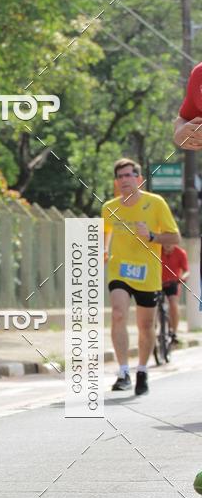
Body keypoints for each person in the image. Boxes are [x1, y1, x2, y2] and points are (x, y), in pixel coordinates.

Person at [102, 158, 180, 395]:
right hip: (120, 271)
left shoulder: (156, 203)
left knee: (145, 326)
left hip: (148, 274)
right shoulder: (108, 208)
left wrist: (153, 237)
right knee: (117, 314)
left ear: (138, 179)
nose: (125, 180)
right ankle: (124, 371)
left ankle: (143, 370)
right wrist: (102, 250)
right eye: (121, 176)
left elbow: (174, 238)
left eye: (129, 175)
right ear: (117, 182)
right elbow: (104, 235)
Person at [161, 243, 189, 342]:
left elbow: (186, 271)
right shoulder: (157, 251)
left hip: (173, 283)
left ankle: (174, 332)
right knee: (155, 305)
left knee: (173, 304)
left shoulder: (180, 253)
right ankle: (159, 329)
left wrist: (182, 278)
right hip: (158, 282)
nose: (167, 245)